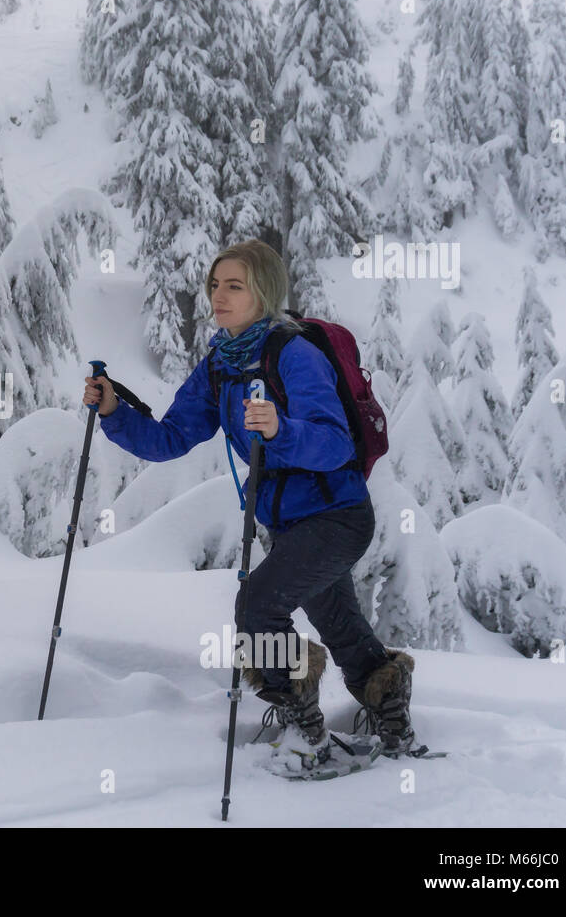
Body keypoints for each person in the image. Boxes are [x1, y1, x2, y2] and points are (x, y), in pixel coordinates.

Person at [82, 239, 418, 763]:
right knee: (338, 625)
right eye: (215, 284)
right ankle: (393, 725)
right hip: (289, 526)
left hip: (338, 517)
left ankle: (305, 735)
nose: (219, 295)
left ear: (263, 291)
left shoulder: (295, 355)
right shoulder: (222, 362)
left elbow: (334, 444)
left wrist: (282, 429)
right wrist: (113, 411)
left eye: (234, 286)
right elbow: (172, 437)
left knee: (258, 606)